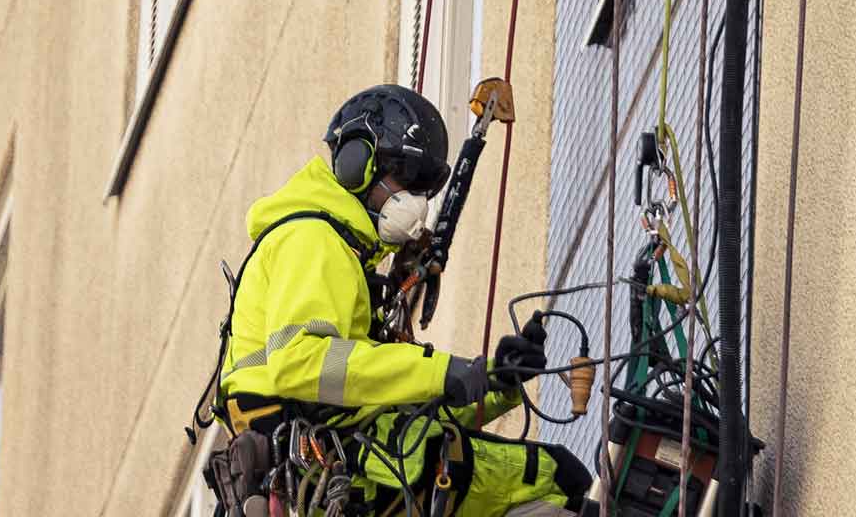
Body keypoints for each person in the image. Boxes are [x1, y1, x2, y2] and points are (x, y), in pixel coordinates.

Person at [210, 85, 592, 514]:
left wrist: (492, 380)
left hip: (340, 465)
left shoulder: (342, 256)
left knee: (554, 482)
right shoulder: (313, 240)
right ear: (358, 165)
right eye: (404, 179)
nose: (413, 201)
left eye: (422, 189)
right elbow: (302, 361)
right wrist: (447, 373)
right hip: (332, 466)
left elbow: (387, 400)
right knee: (556, 478)